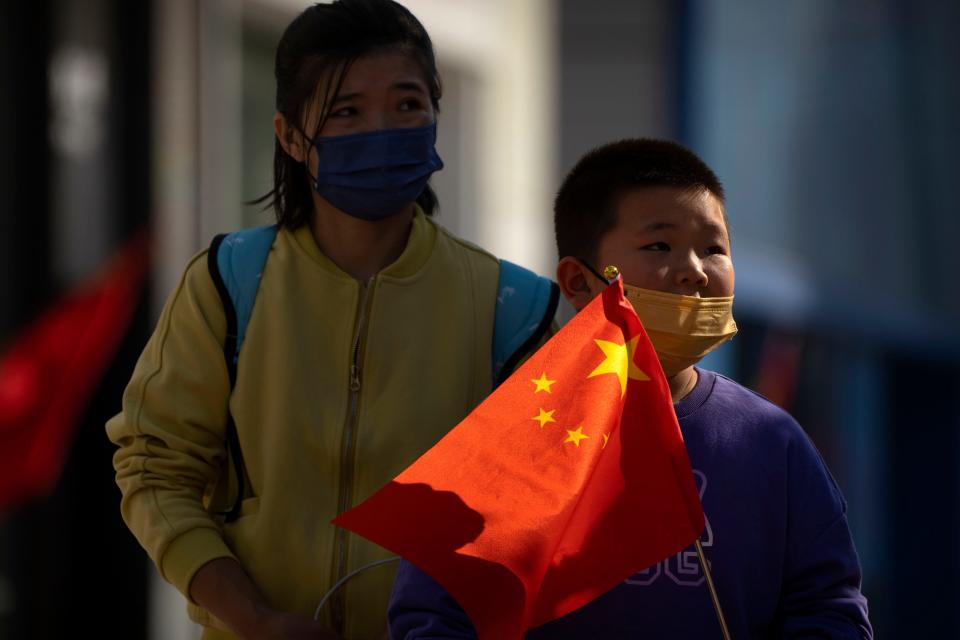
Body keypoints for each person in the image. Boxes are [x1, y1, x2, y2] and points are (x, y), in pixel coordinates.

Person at [106, 2, 555, 639]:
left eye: (407, 104)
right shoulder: (229, 283)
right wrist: (253, 618)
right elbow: (155, 470)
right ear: (290, 137)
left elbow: (544, 514)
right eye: (348, 112)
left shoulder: (515, 306)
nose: (384, 129)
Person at [388, 138, 873, 638]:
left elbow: (829, 607)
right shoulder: (512, 441)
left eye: (714, 248)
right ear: (579, 283)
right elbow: (433, 615)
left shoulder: (771, 441)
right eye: (658, 246)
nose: (694, 270)